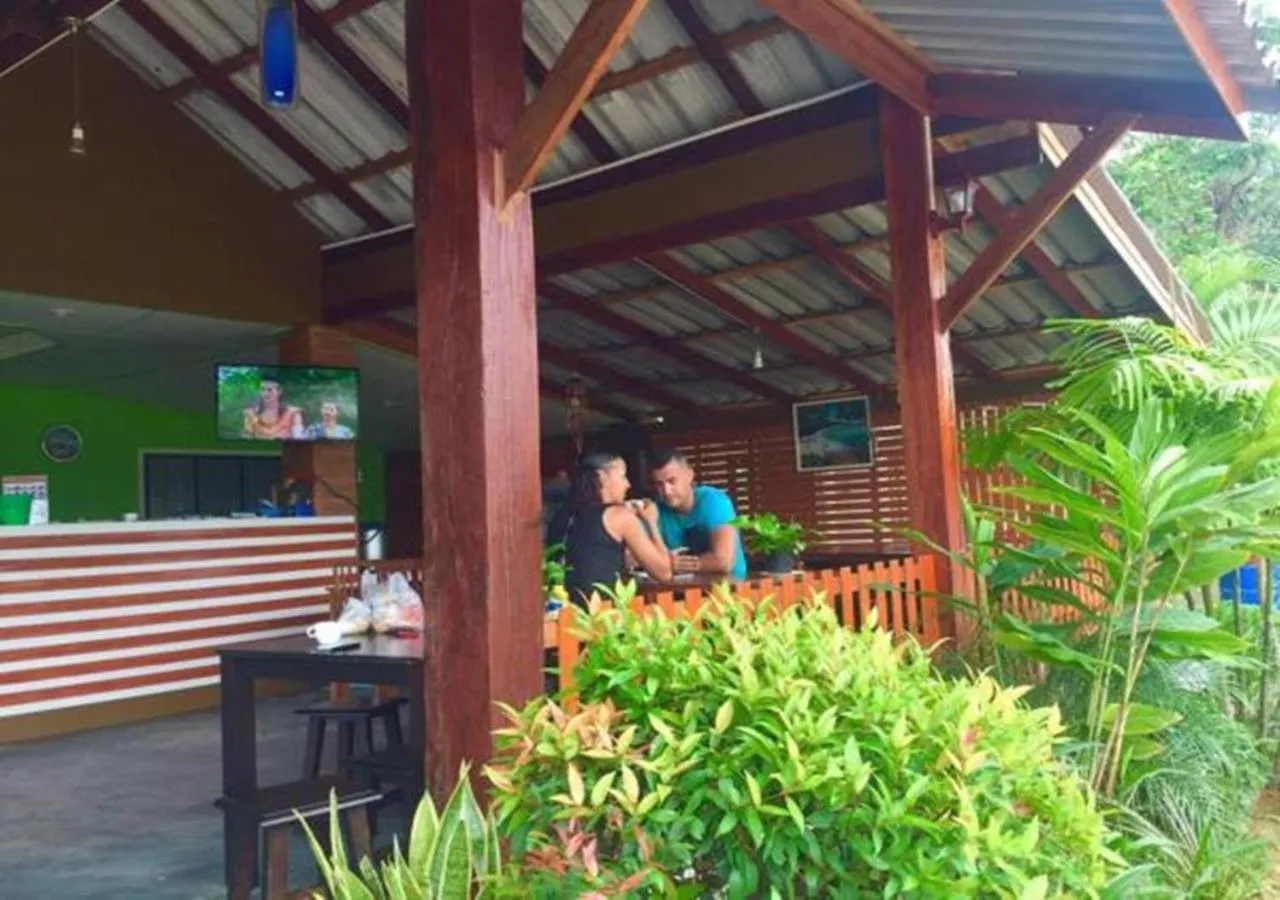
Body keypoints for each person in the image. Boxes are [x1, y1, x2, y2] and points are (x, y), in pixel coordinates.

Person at [548, 453, 673, 608]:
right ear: (602, 477)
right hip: (605, 618)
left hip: (564, 615)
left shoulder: (562, 515)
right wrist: (651, 521)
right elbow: (664, 573)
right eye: (623, 476)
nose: (628, 484)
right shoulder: (619, 516)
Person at [650, 448, 747, 581]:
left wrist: (672, 564)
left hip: (728, 590)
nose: (666, 491)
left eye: (672, 481)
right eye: (659, 484)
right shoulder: (654, 510)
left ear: (690, 475)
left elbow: (723, 561)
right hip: (680, 593)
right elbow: (634, 558)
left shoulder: (713, 501)